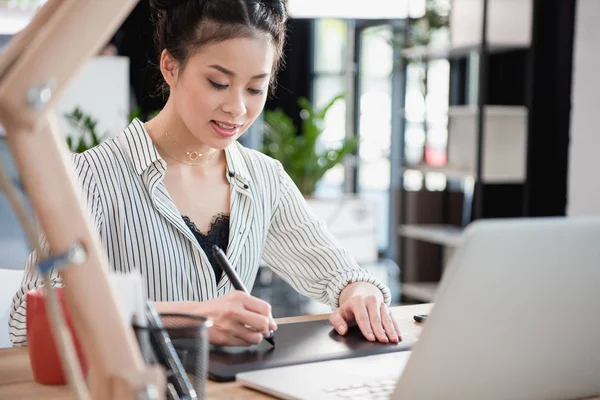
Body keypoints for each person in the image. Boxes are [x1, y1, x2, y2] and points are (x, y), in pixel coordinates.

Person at [9, 0, 401, 347]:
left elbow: (339, 273)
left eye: (254, 89)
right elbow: (30, 318)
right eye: (218, 83)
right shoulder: (94, 176)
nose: (237, 108)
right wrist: (191, 319)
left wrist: (359, 293)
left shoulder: (265, 179)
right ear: (170, 66)